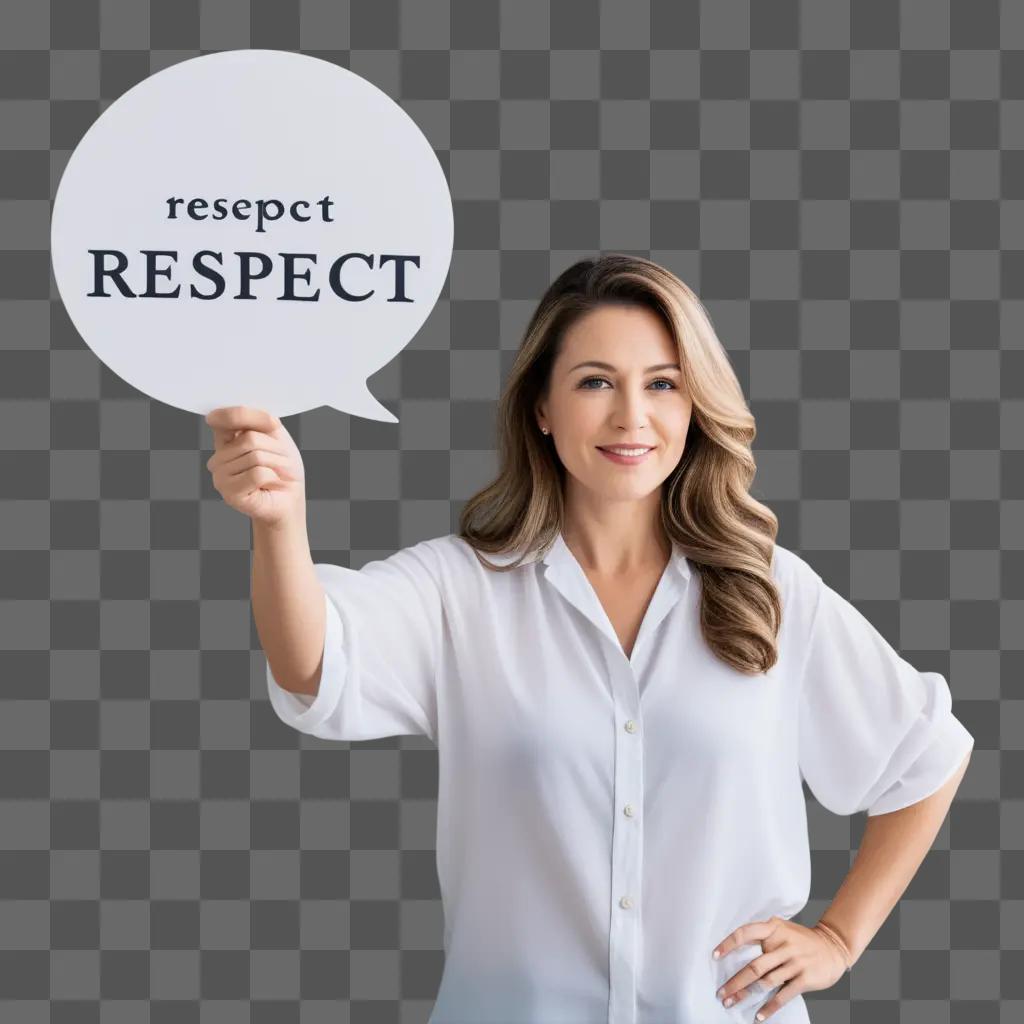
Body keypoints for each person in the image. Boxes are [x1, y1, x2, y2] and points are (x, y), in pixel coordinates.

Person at [205, 253, 974, 1024]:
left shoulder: (768, 590)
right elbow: (312, 665)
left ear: (695, 404)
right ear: (542, 406)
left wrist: (839, 938)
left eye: (663, 383)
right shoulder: (461, 590)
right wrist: (280, 523)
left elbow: (928, 755)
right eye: (596, 381)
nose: (631, 416)